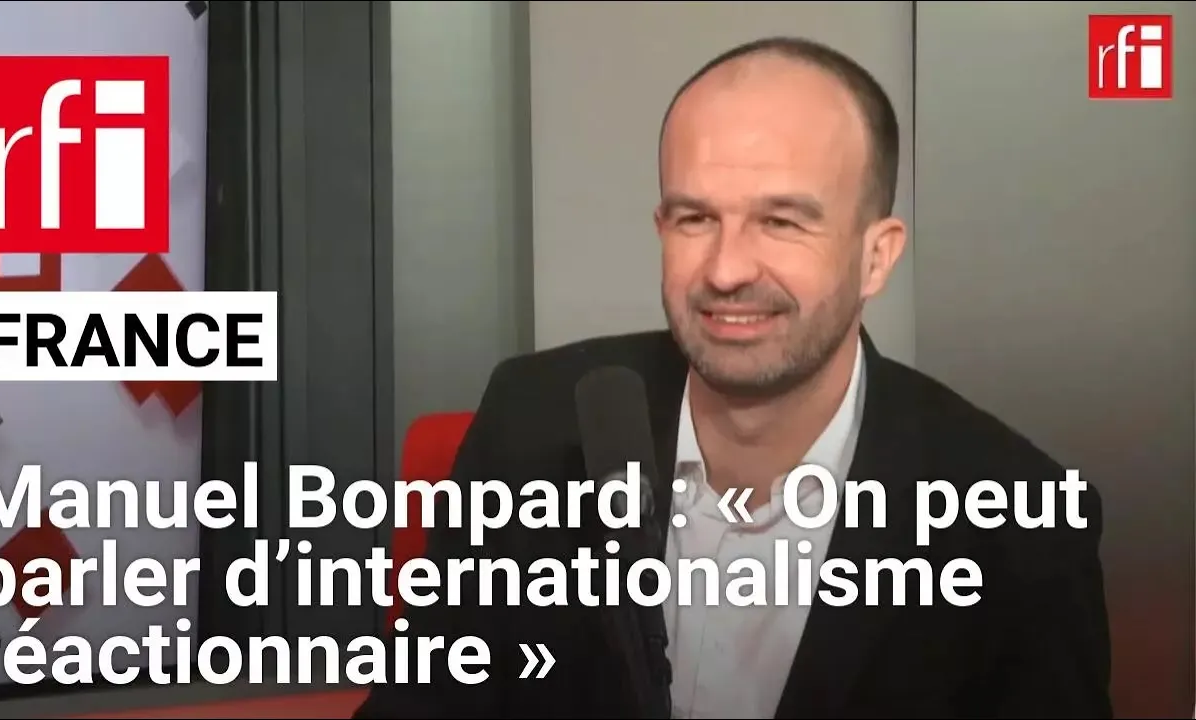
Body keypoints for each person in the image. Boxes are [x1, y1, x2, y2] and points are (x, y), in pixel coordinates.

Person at [355, 37, 1112, 719]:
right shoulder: (532, 419)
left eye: (781, 221)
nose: (725, 269)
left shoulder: (1020, 525)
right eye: (695, 219)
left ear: (875, 257)